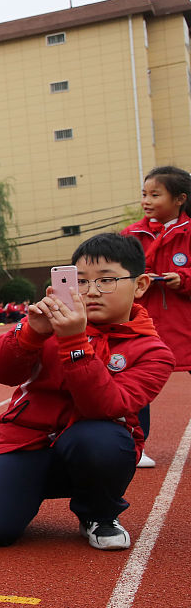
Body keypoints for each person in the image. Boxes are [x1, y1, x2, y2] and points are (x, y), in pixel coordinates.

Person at [0, 234, 173, 551]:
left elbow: (105, 406)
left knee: (100, 439)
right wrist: (30, 333)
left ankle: (98, 513)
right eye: (80, 281)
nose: (92, 291)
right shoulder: (49, 325)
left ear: (139, 285)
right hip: (29, 445)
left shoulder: (153, 352)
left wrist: (74, 343)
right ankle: (22, 491)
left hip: (93, 448)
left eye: (107, 280)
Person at [121, 165, 191, 468]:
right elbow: (119, 274)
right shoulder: (131, 235)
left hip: (184, 322)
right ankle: (136, 444)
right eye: (144, 194)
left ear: (179, 199)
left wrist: (184, 278)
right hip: (144, 323)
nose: (147, 201)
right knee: (136, 383)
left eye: (155, 194)